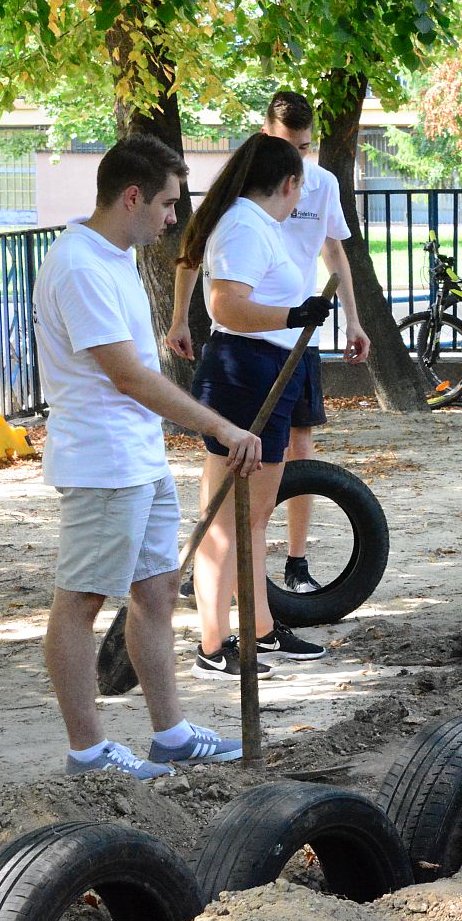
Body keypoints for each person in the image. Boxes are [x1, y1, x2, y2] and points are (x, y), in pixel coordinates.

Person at [34, 135, 265, 779]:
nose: (173, 218)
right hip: (103, 462)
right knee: (81, 603)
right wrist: (218, 425)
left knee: (156, 592)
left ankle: (170, 735)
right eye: (167, 204)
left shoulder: (114, 255)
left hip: (139, 456)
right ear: (131, 196)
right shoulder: (79, 265)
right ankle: (89, 752)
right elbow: (128, 376)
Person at [168, 91, 370, 595]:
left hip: (295, 339)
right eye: (288, 147)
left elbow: (335, 254)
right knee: (230, 469)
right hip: (251, 344)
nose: (297, 158)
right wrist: (179, 319)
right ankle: (213, 575)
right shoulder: (243, 201)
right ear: (265, 139)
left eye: (305, 147)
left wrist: (353, 320)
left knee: (293, 450)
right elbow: (199, 264)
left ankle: (293, 563)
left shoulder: (318, 185)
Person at [176, 133, 336, 679]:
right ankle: (212, 643)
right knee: (226, 518)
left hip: (270, 369)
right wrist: (294, 316)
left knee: (255, 515)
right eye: (300, 188)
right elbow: (226, 305)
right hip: (243, 373)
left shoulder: (257, 223)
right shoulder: (245, 224)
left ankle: (261, 630)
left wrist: (294, 320)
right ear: (289, 184)